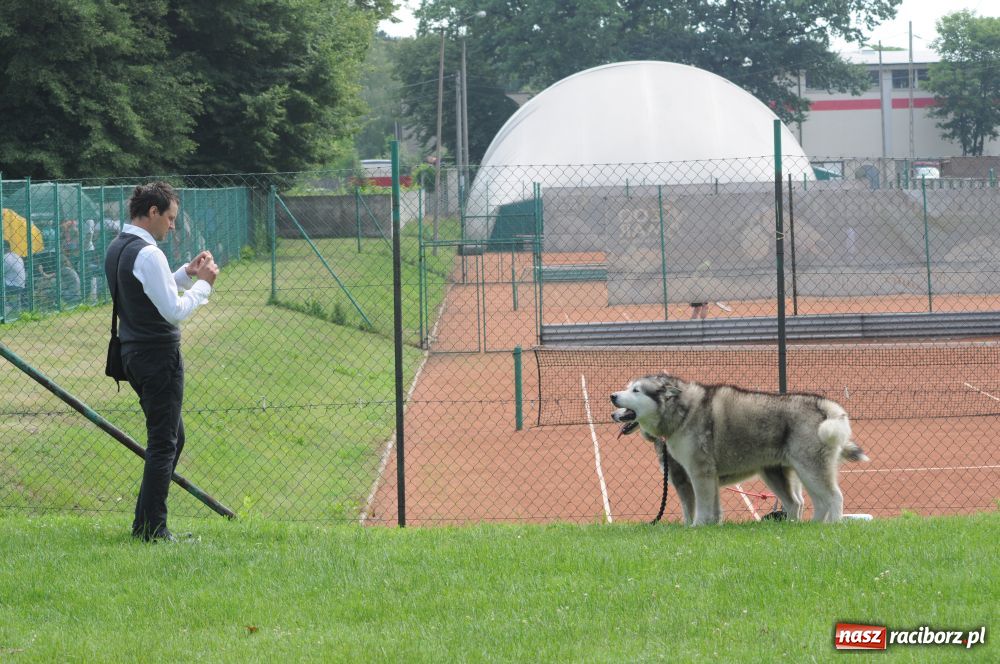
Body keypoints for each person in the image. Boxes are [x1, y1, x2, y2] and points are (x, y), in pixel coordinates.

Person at [104, 182, 218, 542]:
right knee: (164, 443)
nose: (172, 226)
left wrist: (185, 272)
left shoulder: (119, 247)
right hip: (158, 356)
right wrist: (204, 286)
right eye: (169, 218)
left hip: (131, 352)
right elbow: (172, 310)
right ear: (152, 212)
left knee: (171, 438)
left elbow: (152, 290)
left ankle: (146, 523)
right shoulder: (149, 253)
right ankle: (152, 530)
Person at [3, 239, 26, 317]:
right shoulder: (16, 256)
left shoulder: (4, 258)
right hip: (21, 285)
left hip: (12, 286)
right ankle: (10, 306)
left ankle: (6, 308)